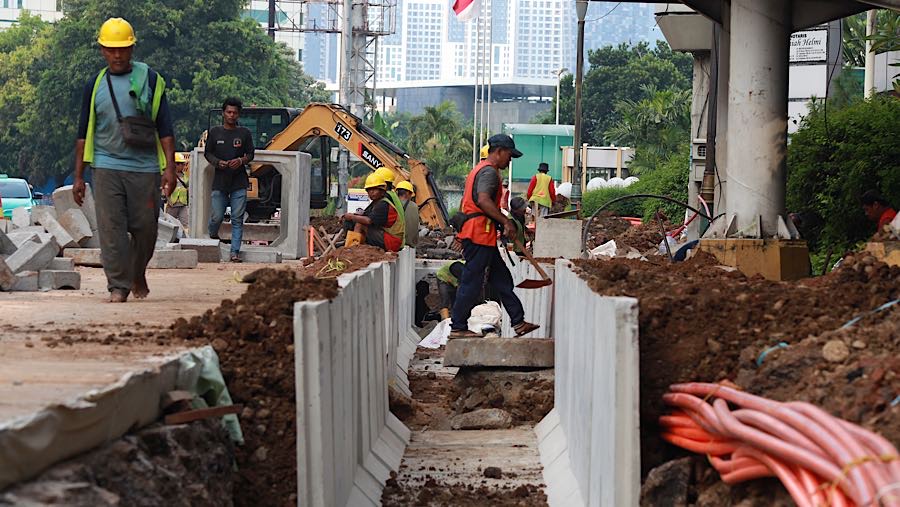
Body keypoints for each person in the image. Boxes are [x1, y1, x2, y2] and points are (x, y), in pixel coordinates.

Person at [73, 17, 177, 303]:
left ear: (132, 49)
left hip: (144, 169)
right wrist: (79, 176)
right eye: (110, 49)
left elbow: (165, 127)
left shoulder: (151, 81)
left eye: (122, 49)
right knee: (111, 229)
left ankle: (137, 271)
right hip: (106, 166)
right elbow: (82, 133)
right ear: (102, 50)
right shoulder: (94, 85)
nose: (116, 55)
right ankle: (117, 286)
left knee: (146, 227)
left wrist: (170, 167)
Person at [449, 134, 539, 339]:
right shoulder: (489, 172)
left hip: (484, 235)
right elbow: (483, 200)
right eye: (509, 155)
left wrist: (501, 221)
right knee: (472, 281)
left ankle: (518, 321)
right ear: (499, 152)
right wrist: (506, 221)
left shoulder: (482, 170)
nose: (510, 160)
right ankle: (458, 327)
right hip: (479, 234)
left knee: (502, 279)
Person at [205, 97, 255, 263]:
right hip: (219, 181)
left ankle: (234, 252)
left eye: (234, 112)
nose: (231, 115)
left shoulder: (245, 133)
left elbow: (250, 154)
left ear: (238, 114)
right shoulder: (214, 132)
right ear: (223, 113)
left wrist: (240, 161)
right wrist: (218, 163)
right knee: (217, 216)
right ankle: (212, 234)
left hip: (239, 182)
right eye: (229, 112)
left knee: (237, 218)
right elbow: (208, 153)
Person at [342, 172, 405, 252]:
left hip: (392, 241)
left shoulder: (383, 204)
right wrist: (351, 216)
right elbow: (365, 214)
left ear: (382, 191)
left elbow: (368, 220)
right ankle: (353, 244)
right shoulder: (376, 202)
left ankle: (353, 248)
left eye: (374, 189)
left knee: (360, 224)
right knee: (356, 221)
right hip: (388, 238)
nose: (371, 192)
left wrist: (352, 217)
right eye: (369, 190)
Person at [165, 152, 190, 228]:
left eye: (183, 164)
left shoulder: (185, 176)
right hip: (172, 204)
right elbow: (166, 189)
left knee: (185, 224)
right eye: (182, 164)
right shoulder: (169, 175)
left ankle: (184, 239)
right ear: (175, 164)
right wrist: (169, 200)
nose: (183, 166)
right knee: (169, 225)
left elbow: (187, 188)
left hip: (182, 204)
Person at [396, 180, 419, 248]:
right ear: (408, 193)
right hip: (411, 244)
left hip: (396, 243)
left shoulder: (393, 204)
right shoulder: (415, 206)